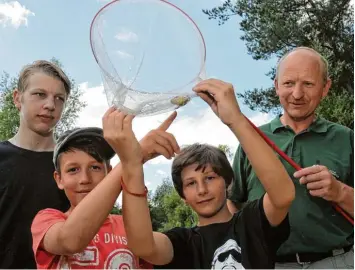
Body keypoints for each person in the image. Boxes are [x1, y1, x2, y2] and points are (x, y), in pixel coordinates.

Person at [111, 78, 296, 269]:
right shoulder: (182, 242)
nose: (202, 189)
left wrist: (236, 120)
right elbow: (143, 246)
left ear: (228, 182)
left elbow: (283, 195)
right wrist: (132, 164)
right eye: (191, 183)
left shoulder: (252, 224)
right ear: (183, 196)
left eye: (209, 178)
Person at [229, 47, 354, 269]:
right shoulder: (252, 140)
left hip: (337, 262)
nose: (297, 94)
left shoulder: (346, 139)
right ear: (276, 86)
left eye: (308, 84)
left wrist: (339, 191)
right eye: (288, 83)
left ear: (325, 88)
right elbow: (233, 203)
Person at [31, 109, 180, 269]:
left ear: (108, 172)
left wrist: (133, 163)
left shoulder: (130, 225)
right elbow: (69, 241)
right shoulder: (46, 220)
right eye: (73, 169)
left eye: (95, 167)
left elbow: (156, 251)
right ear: (59, 179)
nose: (85, 179)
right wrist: (133, 158)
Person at [0, 60, 72, 268]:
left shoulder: (72, 166)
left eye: (59, 98)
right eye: (40, 94)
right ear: (17, 98)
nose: (50, 105)